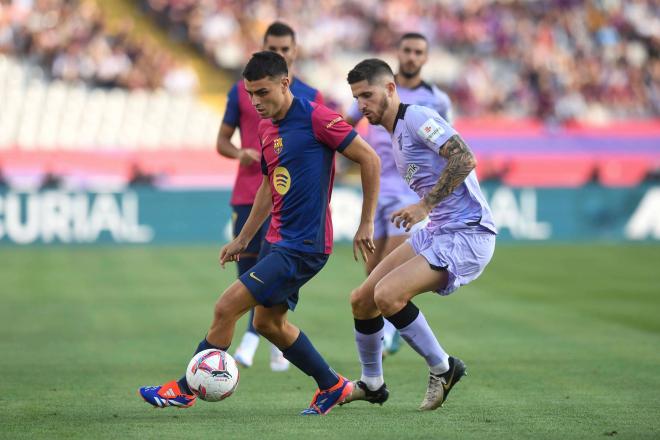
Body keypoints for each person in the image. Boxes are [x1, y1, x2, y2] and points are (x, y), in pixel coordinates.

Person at [139, 51, 380, 416]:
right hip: (277, 241)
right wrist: (244, 238)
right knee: (267, 323)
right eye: (251, 94)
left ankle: (186, 389)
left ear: (285, 83)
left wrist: (366, 222)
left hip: (303, 246)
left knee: (225, 308)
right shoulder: (266, 128)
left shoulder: (317, 117)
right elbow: (270, 186)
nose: (255, 102)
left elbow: (369, 159)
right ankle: (332, 385)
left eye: (263, 92)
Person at [341, 59, 497, 411]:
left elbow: (464, 158)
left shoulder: (416, 118)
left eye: (368, 94)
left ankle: (443, 368)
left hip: (467, 234)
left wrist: (424, 206)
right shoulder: (393, 132)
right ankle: (372, 383)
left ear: (390, 89)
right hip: (440, 230)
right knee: (362, 299)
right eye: (356, 97)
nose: (362, 104)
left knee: (388, 296)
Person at [217, 21, 324, 372]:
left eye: (284, 49)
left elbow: (349, 153)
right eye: (272, 47)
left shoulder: (312, 102)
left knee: (248, 291)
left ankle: (250, 344)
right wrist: (239, 155)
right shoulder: (243, 93)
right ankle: (265, 337)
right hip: (251, 195)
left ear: (293, 54)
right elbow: (222, 143)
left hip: (292, 216)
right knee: (249, 276)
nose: (278, 53)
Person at [345, 32, 453, 356]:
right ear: (399, 53)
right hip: (375, 187)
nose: (411, 56)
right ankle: (382, 326)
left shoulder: (435, 100)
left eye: (418, 51)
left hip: (408, 191)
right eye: (406, 50)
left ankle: (389, 333)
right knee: (372, 270)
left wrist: (431, 197)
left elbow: (448, 144)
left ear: (425, 57)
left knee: (391, 268)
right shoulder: (373, 90)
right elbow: (346, 126)